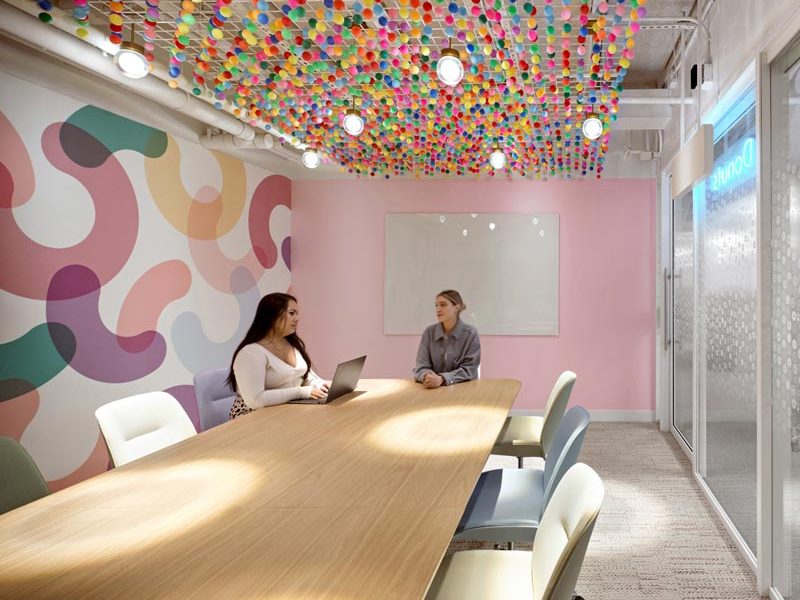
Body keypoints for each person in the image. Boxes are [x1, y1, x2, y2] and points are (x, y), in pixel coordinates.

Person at [227, 292, 329, 419]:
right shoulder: (250, 353)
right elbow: (255, 400)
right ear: (272, 316)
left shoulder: (292, 343)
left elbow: (303, 375)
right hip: (251, 418)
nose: (297, 318)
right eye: (292, 313)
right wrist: (302, 392)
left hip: (285, 412)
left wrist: (318, 384)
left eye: (297, 314)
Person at [413, 289, 481, 388]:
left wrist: (442, 379)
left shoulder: (470, 334)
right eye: (436, 305)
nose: (438, 309)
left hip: (464, 391)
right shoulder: (429, 333)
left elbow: (470, 369)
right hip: (433, 391)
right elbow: (421, 366)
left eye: (443, 305)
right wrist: (427, 376)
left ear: (456, 307)